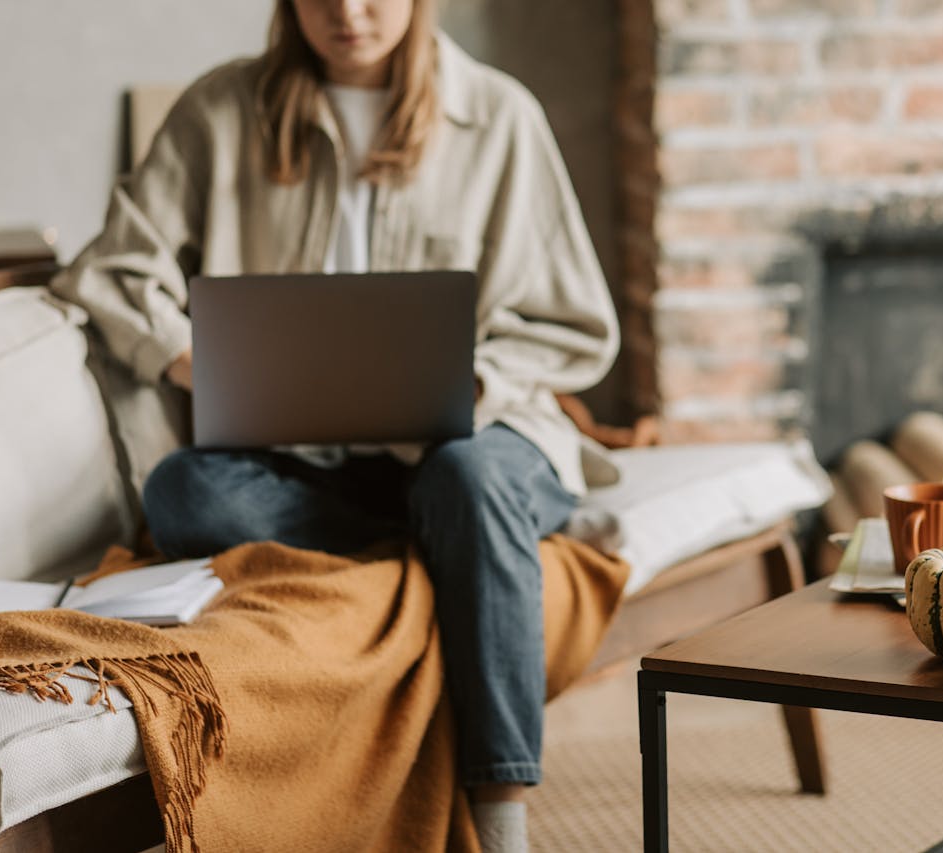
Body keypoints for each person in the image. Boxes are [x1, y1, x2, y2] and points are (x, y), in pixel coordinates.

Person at [49, 1, 619, 851]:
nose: (348, 14)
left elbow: (575, 325)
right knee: (184, 488)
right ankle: (454, 543)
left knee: (466, 478)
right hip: (307, 458)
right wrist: (187, 358)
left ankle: (502, 812)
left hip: (478, 436)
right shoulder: (219, 110)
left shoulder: (500, 117)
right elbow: (111, 269)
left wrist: (469, 378)